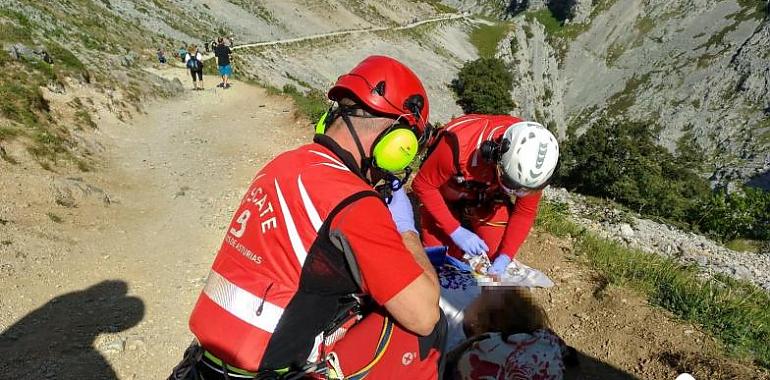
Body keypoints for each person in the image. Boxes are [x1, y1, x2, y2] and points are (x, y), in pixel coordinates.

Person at [169, 55, 446, 380]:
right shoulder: (355, 202)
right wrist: (406, 230)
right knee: (424, 332)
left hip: (203, 360)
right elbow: (424, 314)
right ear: (398, 142)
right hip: (265, 372)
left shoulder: (286, 163)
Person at [412, 115, 559, 276]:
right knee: (439, 258)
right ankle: (453, 219)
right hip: (447, 192)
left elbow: (525, 212)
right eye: (511, 185)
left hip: (485, 197)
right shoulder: (457, 145)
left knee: (494, 251)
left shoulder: (534, 169)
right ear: (496, 157)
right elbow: (423, 185)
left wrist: (505, 255)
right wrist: (455, 230)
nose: (518, 193)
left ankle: (469, 219)